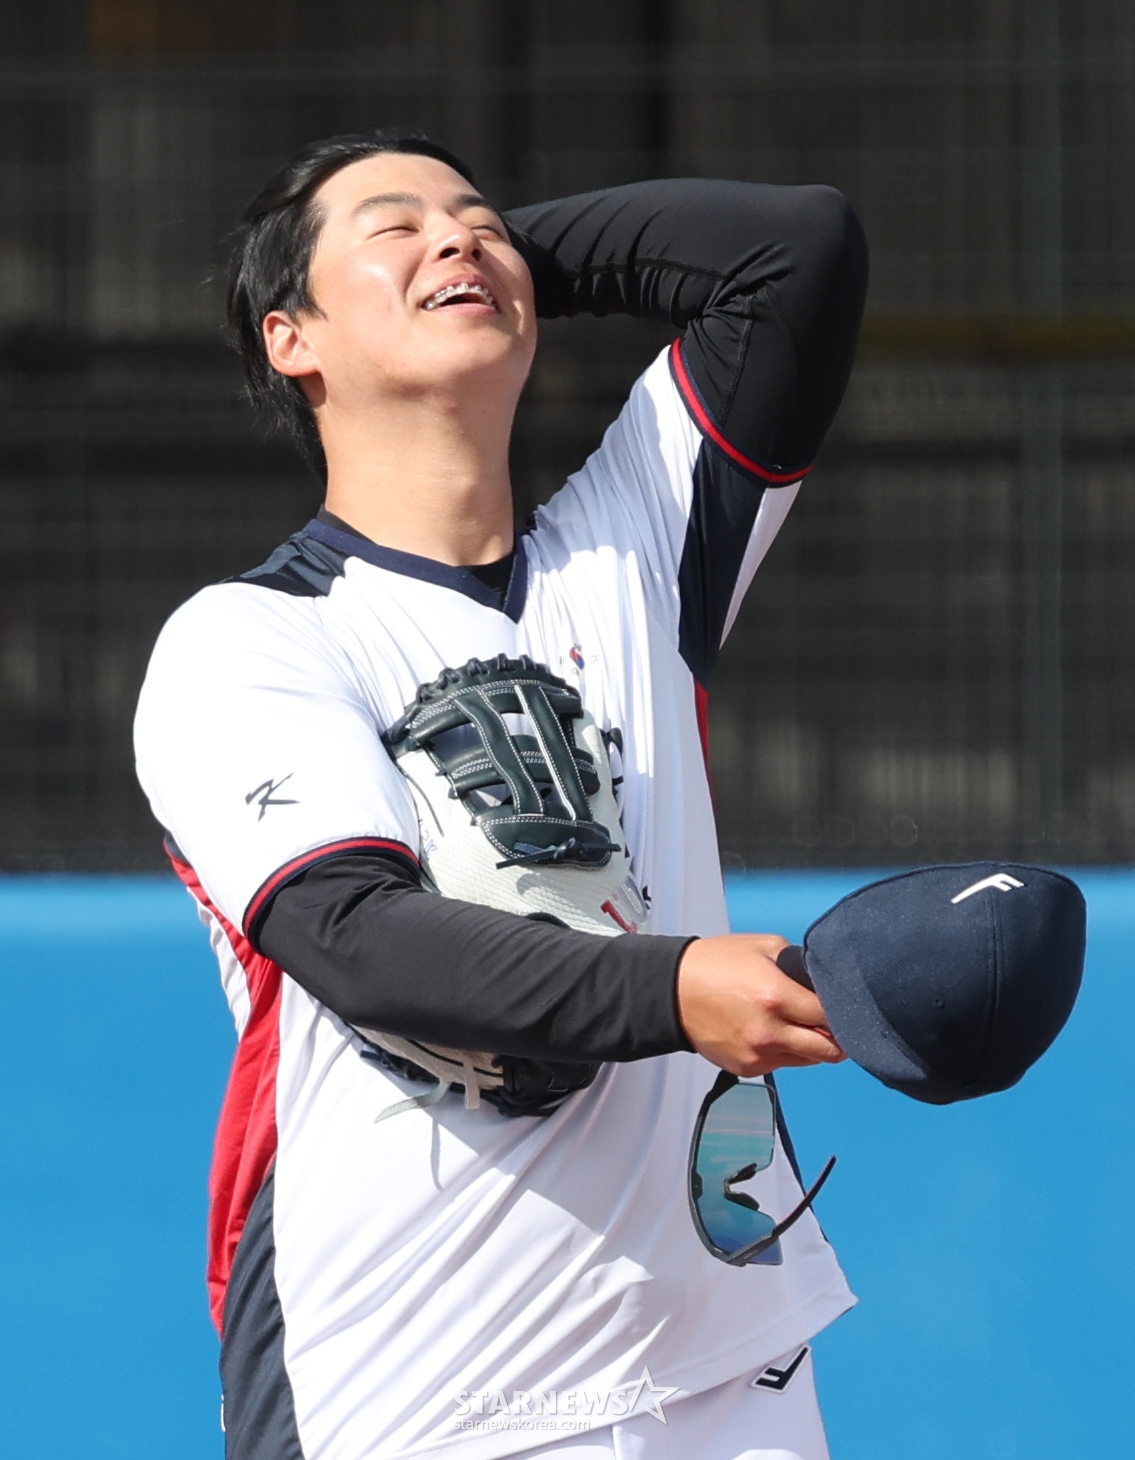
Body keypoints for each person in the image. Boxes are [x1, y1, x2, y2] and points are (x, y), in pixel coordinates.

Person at [134, 131, 868, 1460]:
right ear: (290, 338)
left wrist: (481, 264)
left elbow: (793, 249)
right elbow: (361, 939)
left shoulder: (632, 547)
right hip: (420, 1387)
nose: (454, 235)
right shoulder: (248, 640)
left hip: (723, 1362)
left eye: (477, 216)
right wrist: (674, 987)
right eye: (394, 225)